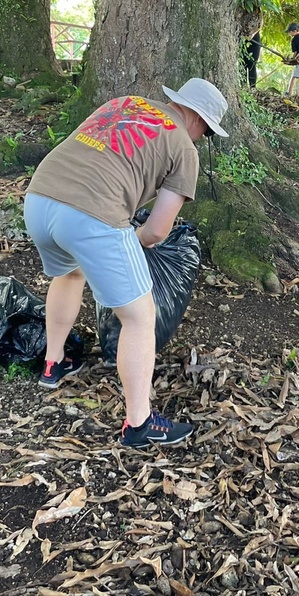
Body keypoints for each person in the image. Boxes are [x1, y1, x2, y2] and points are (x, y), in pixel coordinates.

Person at [23, 78, 229, 448]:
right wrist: (121, 247)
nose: (203, 139)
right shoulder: (184, 148)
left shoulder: (126, 102)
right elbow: (156, 232)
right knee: (139, 315)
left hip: (39, 197)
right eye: (208, 133)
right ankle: (139, 425)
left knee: (71, 273)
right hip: (92, 215)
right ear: (198, 119)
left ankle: (53, 365)